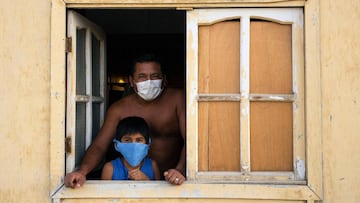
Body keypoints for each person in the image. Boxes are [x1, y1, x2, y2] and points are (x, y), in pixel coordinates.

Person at [64, 53, 186, 188]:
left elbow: (191, 141)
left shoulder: (177, 99)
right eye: (142, 77)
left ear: (164, 79)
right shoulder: (119, 109)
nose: (149, 82)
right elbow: (100, 145)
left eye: (155, 76)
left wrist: (180, 170)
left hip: (172, 181)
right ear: (132, 81)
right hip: (127, 181)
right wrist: (82, 171)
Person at [101, 116, 160, 180]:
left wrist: (146, 180)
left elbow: (159, 189)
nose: (133, 145)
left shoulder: (152, 166)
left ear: (148, 144)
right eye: (127, 140)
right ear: (117, 144)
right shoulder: (110, 168)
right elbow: (105, 190)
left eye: (139, 140)